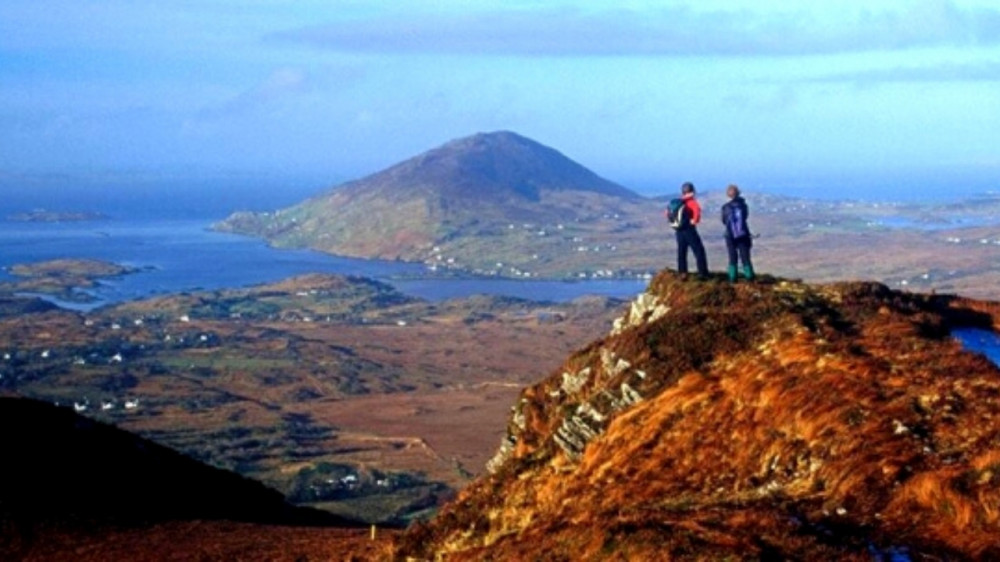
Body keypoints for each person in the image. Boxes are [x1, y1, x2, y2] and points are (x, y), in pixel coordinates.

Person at [668, 181, 709, 278]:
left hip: (678, 230)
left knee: (681, 251)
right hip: (689, 230)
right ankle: (703, 273)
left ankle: (682, 273)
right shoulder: (692, 203)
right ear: (692, 191)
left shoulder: (677, 203)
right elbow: (696, 218)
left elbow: (667, 214)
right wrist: (692, 221)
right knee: (699, 250)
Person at [721, 184, 754, 282]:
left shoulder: (725, 207)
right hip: (743, 234)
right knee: (745, 256)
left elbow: (724, 220)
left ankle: (732, 278)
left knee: (732, 256)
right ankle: (749, 277)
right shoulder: (743, 206)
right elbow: (745, 217)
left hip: (730, 235)